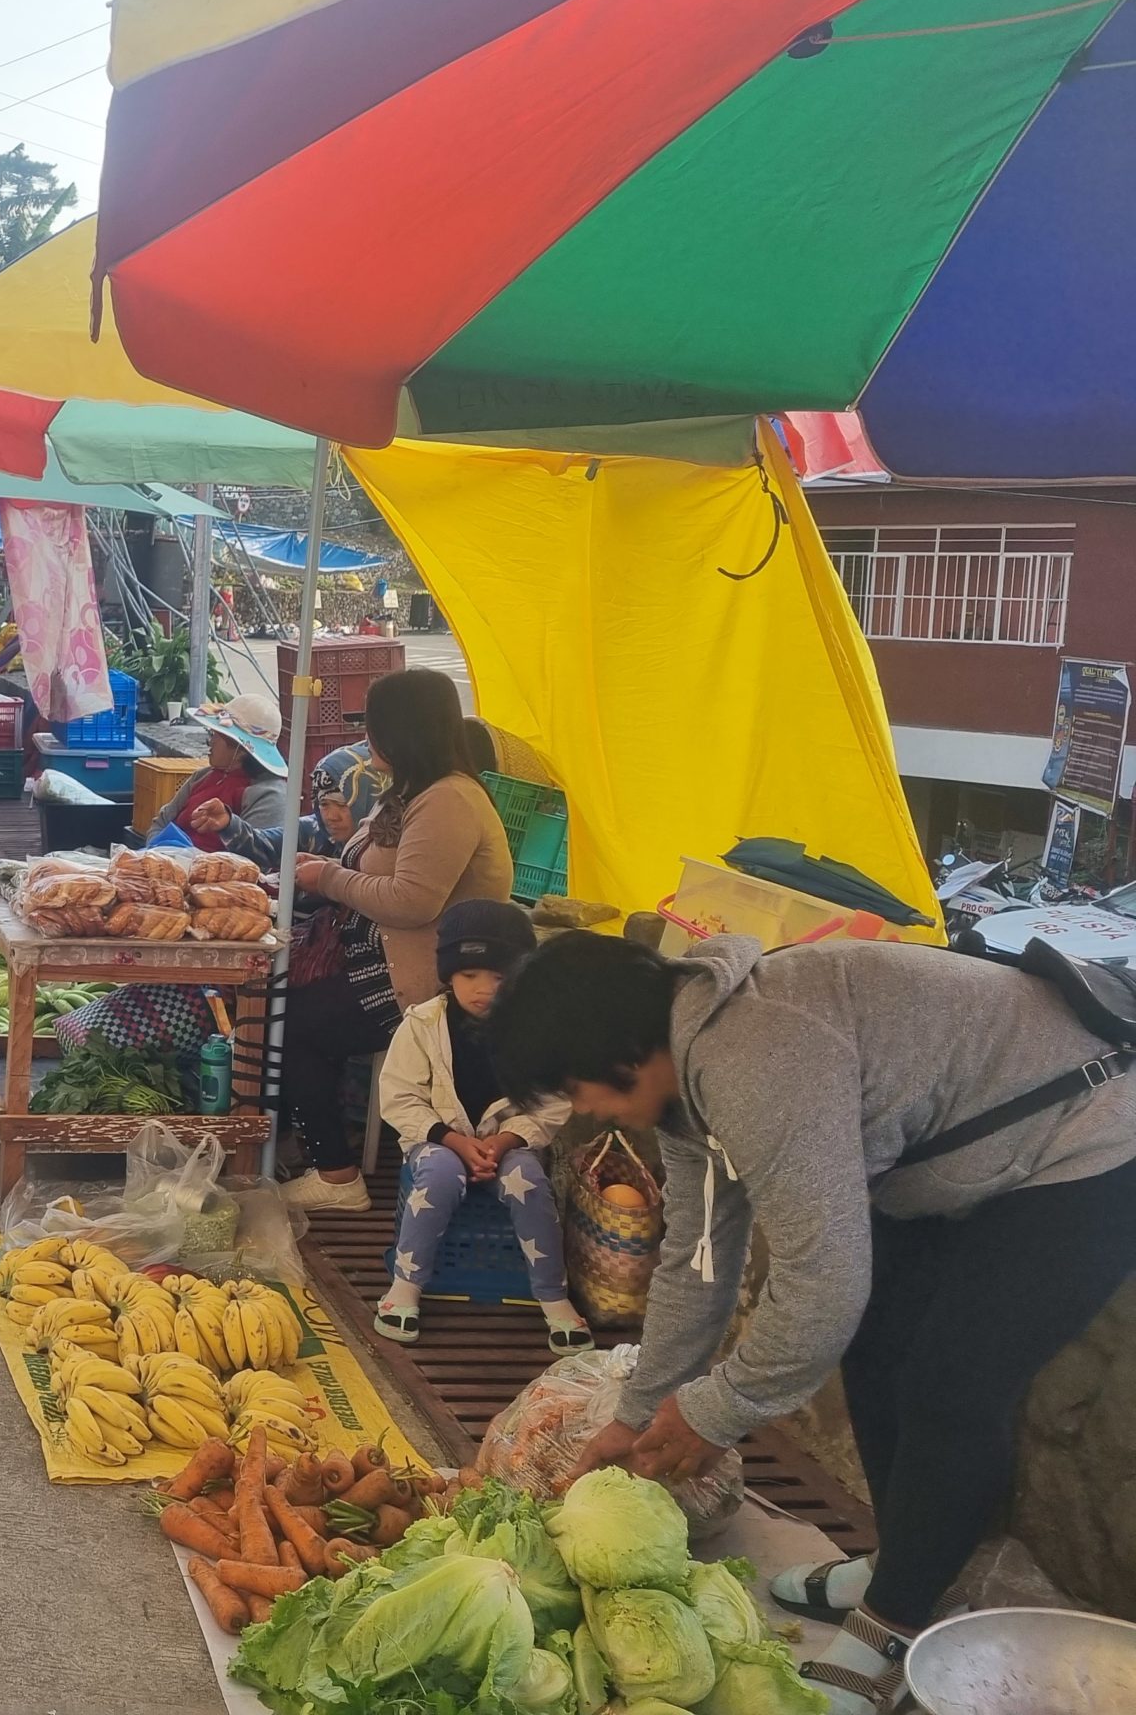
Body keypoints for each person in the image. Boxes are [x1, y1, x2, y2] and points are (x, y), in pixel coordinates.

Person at [490, 932, 1136, 1715]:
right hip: (955, 1155)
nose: (586, 1113)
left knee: (952, 1385)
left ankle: (895, 1626)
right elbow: (696, 1267)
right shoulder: (686, 1082)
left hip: (1087, 1134)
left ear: (618, 1049)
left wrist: (714, 1412)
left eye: (578, 1090)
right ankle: (902, 1562)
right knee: (875, 1341)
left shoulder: (758, 1056)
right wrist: (632, 1413)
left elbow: (822, 1286)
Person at [217, 668, 514, 1212]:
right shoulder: (410, 792)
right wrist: (320, 866)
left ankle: (336, 1175)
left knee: (290, 1024)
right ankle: (291, 1138)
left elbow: (411, 901)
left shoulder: (449, 800)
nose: (365, 738)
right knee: (266, 997)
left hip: (423, 978)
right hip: (372, 953)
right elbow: (368, 869)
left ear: (402, 731)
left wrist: (327, 878)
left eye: (373, 726)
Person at [373, 901, 589, 1354]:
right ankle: (406, 1287)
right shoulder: (422, 1024)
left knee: (528, 1178)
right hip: (436, 1141)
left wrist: (505, 1140)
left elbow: (551, 1104)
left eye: (499, 977)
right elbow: (399, 1095)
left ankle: (552, 1295)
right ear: (449, 974)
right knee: (436, 1175)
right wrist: (450, 1139)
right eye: (470, 975)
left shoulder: (536, 1032)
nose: (484, 989)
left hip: (509, 1146)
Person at [146, 695, 293, 850]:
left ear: (240, 749)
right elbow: (161, 822)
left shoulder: (269, 794)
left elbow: (254, 856)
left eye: (216, 735)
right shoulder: (203, 776)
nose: (210, 741)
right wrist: (157, 854)